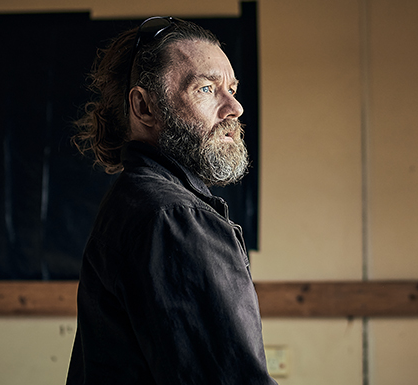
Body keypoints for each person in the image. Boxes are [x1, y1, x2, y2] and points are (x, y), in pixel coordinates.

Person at [66, 16, 277, 384]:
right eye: (207, 89)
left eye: (233, 88)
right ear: (145, 108)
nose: (235, 108)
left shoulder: (143, 201)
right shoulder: (173, 216)